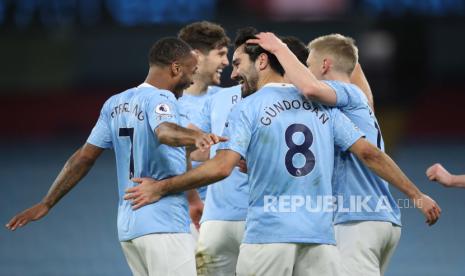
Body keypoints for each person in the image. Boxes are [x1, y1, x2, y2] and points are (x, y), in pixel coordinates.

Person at [124, 28, 440, 275]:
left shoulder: (248, 107)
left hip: (268, 235)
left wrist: (161, 188)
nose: (234, 75)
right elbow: (367, 152)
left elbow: (220, 168)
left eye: (238, 65)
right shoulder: (325, 108)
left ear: (262, 61)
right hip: (319, 240)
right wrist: (415, 194)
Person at [6, 37, 226, 276]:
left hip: (130, 227)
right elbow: (165, 132)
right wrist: (196, 136)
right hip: (162, 221)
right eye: (191, 72)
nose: (192, 79)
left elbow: (83, 157)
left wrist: (47, 202)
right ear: (175, 68)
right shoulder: (162, 99)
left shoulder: (115, 103)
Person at [247, 32, 441, 275]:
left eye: (308, 65)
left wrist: (279, 48)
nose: (306, 70)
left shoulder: (342, 93)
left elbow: (310, 88)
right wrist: (351, 55)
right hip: (381, 218)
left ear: (325, 65)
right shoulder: (359, 103)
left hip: (356, 220)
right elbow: (362, 90)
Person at [191, 35, 310, 276]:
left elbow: (195, 151)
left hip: (217, 222)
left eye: (236, 63)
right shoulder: (299, 103)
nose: (233, 72)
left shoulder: (217, 99)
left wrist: (227, 152)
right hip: (263, 222)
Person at [177, 21, 230, 205]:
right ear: (197, 56)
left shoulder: (227, 99)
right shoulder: (165, 103)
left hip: (220, 215)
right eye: (221, 54)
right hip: (179, 213)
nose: (226, 62)